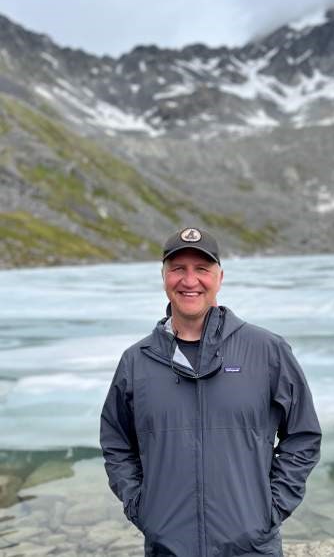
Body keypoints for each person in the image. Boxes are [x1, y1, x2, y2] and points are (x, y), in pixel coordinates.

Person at [100, 227, 321, 557]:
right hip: (167, 548)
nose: (190, 281)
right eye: (178, 269)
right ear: (164, 276)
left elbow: (303, 435)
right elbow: (117, 443)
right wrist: (141, 507)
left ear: (219, 276)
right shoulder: (137, 361)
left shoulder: (267, 350)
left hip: (252, 548)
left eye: (201, 269)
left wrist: (270, 508)